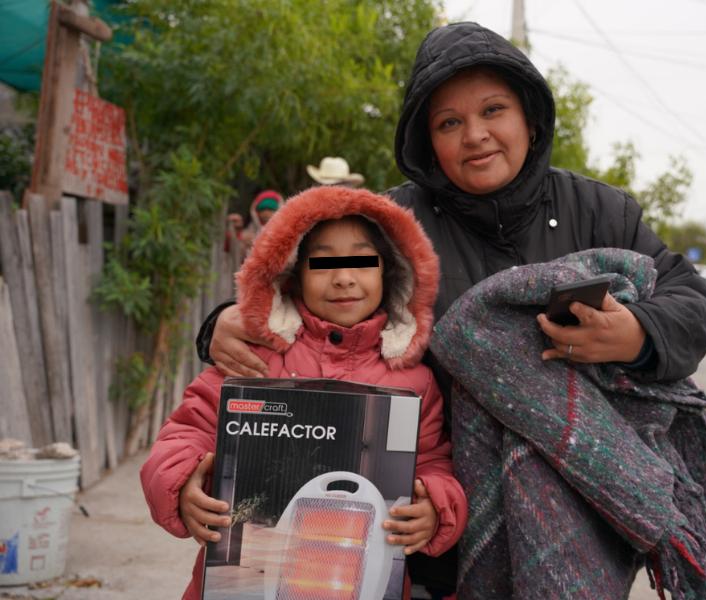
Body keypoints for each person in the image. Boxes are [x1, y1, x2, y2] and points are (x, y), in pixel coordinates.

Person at [196, 21, 706, 599]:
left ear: (529, 116)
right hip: (426, 523)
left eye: (493, 110)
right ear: (428, 142)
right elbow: (318, 295)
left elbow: (690, 300)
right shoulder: (392, 224)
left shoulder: (600, 211)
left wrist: (638, 334)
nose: (475, 135)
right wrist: (223, 320)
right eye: (450, 122)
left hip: (576, 519)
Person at [142, 186, 467, 600]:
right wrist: (181, 482)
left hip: (359, 581)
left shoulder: (413, 381)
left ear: (392, 271)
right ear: (292, 272)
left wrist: (434, 508)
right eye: (323, 262)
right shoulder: (252, 360)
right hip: (247, 583)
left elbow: (435, 464)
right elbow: (185, 432)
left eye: (363, 261)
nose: (344, 277)